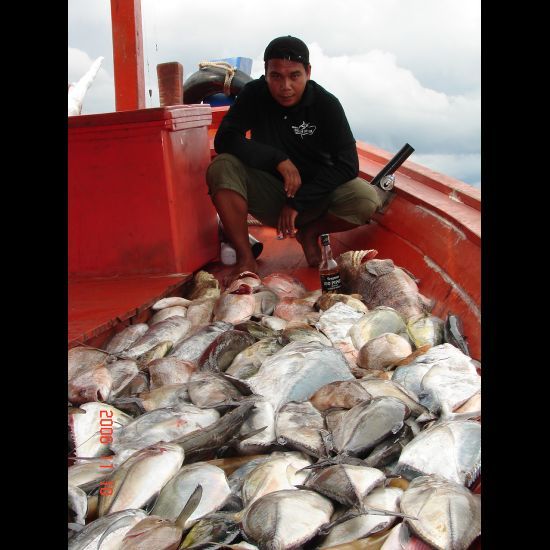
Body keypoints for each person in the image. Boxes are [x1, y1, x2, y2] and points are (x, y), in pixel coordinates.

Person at [206, 35, 386, 274]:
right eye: (276, 76)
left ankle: (311, 232)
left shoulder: (326, 104)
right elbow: (225, 139)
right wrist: (278, 159)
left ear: (308, 72)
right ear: (266, 73)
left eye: (294, 76)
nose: (285, 86)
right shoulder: (254, 94)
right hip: (271, 194)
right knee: (222, 166)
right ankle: (245, 258)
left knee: (366, 198)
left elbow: (348, 165)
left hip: (316, 199)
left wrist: (297, 203)